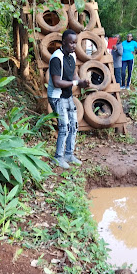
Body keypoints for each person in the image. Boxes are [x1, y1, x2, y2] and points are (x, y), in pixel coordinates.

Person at [47, 29, 90, 169]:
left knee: (74, 125)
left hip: (67, 95)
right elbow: (56, 82)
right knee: (64, 127)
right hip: (57, 97)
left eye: (75, 43)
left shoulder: (72, 55)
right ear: (64, 42)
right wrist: (77, 83)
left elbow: (74, 76)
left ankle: (69, 154)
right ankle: (58, 157)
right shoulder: (56, 58)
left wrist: (82, 82)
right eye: (71, 43)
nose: (74, 46)